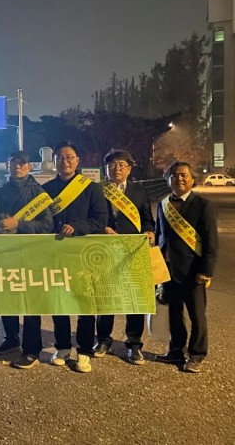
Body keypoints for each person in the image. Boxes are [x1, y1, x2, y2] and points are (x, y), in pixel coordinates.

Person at [42, 141, 108, 373]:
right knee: (59, 301)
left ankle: (84, 350)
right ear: (54, 161)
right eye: (60, 157)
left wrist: (77, 227)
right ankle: (62, 347)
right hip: (56, 252)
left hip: (82, 252)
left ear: (78, 160)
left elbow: (100, 220)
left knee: (84, 302)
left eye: (69, 157)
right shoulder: (47, 189)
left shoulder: (91, 188)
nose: (65, 161)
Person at [155, 161, 218, 373]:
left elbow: (210, 240)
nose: (179, 179)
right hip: (168, 269)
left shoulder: (203, 205)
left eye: (184, 175)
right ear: (168, 180)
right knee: (174, 313)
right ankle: (176, 350)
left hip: (193, 270)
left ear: (192, 179)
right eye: (174, 175)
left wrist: (206, 270)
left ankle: (197, 354)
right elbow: (160, 235)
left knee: (197, 316)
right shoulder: (163, 204)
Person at [94, 149, 155, 365]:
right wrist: (103, 228)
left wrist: (149, 231)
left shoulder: (140, 191)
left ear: (129, 169)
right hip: (106, 249)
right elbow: (92, 217)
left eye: (121, 165)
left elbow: (147, 220)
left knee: (134, 298)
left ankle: (134, 344)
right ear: (105, 169)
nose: (116, 168)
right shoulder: (97, 189)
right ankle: (103, 340)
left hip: (132, 251)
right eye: (112, 165)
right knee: (106, 296)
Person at [0, 151, 54, 369]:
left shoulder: (39, 193)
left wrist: (18, 225)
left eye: (22, 164)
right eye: (13, 163)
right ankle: (11, 339)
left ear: (29, 167)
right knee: (6, 297)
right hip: (7, 252)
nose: (17, 167)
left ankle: (32, 349)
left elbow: (47, 225)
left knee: (31, 302)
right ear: (7, 166)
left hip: (31, 254)